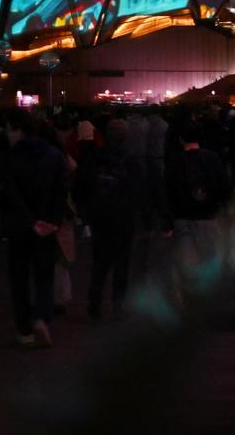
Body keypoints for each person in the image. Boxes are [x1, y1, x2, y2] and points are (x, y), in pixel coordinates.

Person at [0, 110, 68, 347]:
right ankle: (42, 317)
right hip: (47, 226)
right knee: (44, 276)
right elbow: (61, 193)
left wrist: (28, 220)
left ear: (17, 129)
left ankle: (24, 329)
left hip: (19, 226)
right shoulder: (55, 156)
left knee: (19, 279)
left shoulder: (10, 157)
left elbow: (10, 193)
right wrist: (52, 221)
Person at [78, 119, 146, 320]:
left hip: (100, 216)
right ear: (125, 136)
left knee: (99, 262)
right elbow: (138, 190)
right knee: (121, 264)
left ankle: (94, 304)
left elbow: (83, 185)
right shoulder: (131, 160)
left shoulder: (95, 157)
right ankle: (118, 305)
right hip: (123, 217)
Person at [164, 123, 231, 284]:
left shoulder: (175, 161)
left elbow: (168, 192)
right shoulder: (212, 158)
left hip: (183, 218)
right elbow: (225, 187)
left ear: (181, 139)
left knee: (188, 266)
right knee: (208, 261)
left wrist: (167, 224)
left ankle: (190, 297)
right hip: (209, 217)